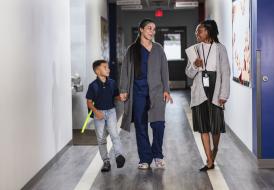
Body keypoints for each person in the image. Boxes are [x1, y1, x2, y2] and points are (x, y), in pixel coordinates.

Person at [119, 18, 173, 170]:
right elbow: (125, 71)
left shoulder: (158, 49)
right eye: (149, 28)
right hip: (138, 93)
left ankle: (158, 155)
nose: (152, 31)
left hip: (156, 92)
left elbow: (165, 70)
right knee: (141, 127)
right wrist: (123, 90)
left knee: (158, 125)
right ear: (141, 30)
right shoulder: (132, 50)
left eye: (154, 29)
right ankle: (145, 158)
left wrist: (166, 90)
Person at [185, 20, 230, 171]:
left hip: (215, 89)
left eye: (200, 30)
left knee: (215, 128)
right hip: (200, 92)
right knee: (203, 127)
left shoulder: (220, 49)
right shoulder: (195, 49)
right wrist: (195, 65)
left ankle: (215, 148)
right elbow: (189, 74)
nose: (196, 33)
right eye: (196, 31)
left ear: (209, 32)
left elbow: (225, 72)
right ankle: (209, 160)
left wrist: (224, 94)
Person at [86, 60, 125, 172]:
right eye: (105, 67)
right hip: (99, 114)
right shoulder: (93, 86)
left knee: (114, 135)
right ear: (97, 71)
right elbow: (89, 102)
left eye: (108, 67)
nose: (108, 69)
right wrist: (96, 112)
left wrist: (121, 97)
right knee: (101, 139)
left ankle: (119, 156)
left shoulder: (112, 83)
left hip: (111, 112)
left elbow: (116, 96)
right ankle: (106, 161)